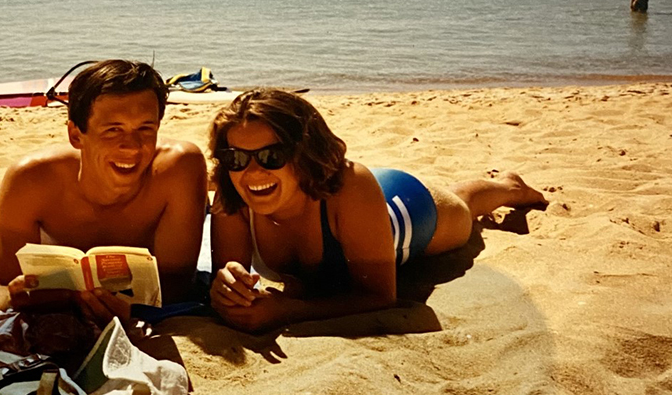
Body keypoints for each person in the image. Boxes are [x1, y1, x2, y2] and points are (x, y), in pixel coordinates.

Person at [208, 89, 547, 332]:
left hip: (408, 208)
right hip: (355, 204)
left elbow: (381, 296)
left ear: (303, 153)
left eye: (271, 156)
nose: (251, 172)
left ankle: (510, 186)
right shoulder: (232, 192)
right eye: (237, 158)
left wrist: (289, 310)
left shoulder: (350, 185)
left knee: (464, 206)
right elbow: (230, 279)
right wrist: (227, 289)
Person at [0, 60, 207, 324]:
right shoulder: (31, 181)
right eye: (113, 130)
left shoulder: (178, 170)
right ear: (76, 135)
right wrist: (13, 297)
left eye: (145, 129)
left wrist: (129, 311)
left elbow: (178, 285)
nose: (132, 146)